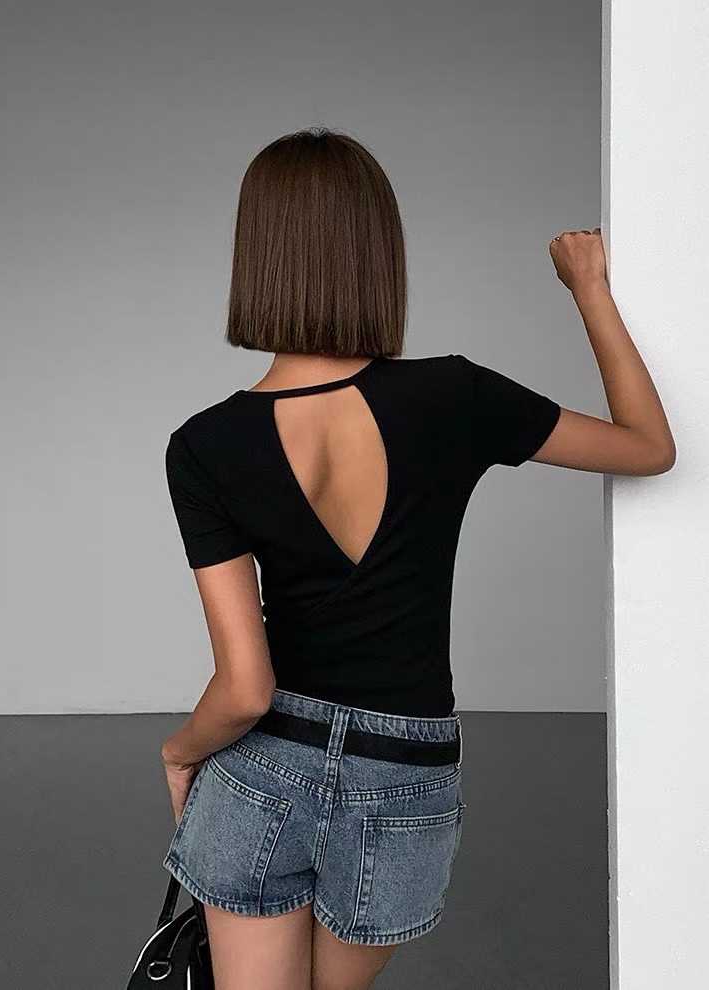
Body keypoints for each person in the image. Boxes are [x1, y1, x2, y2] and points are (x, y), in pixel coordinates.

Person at [158, 128, 675, 990]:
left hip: (262, 768)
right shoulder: (455, 395)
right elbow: (649, 447)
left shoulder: (204, 445)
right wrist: (588, 288)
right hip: (401, 775)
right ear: (377, 254)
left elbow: (244, 689)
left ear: (256, 257)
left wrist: (180, 753)